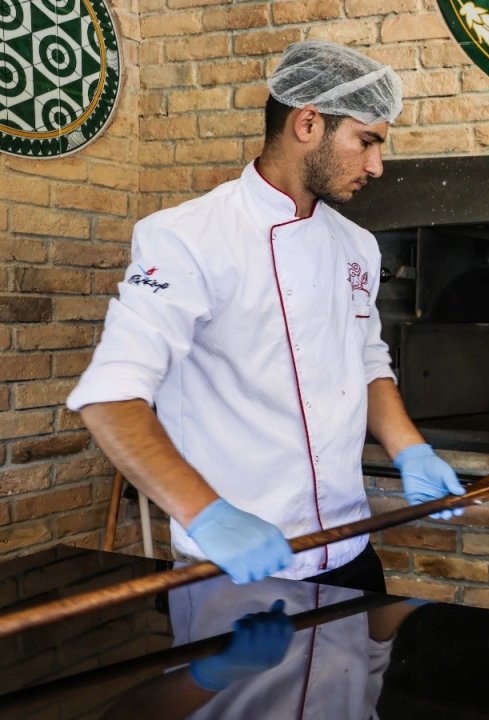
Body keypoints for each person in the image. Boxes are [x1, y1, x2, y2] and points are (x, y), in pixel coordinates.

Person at [67, 39, 465, 591]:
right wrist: (206, 514)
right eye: (367, 141)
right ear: (307, 124)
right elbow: (110, 396)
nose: (377, 166)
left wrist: (411, 449)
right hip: (236, 568)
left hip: (351, 555)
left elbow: (368, 360)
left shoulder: (357, 247)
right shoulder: (185, 237)